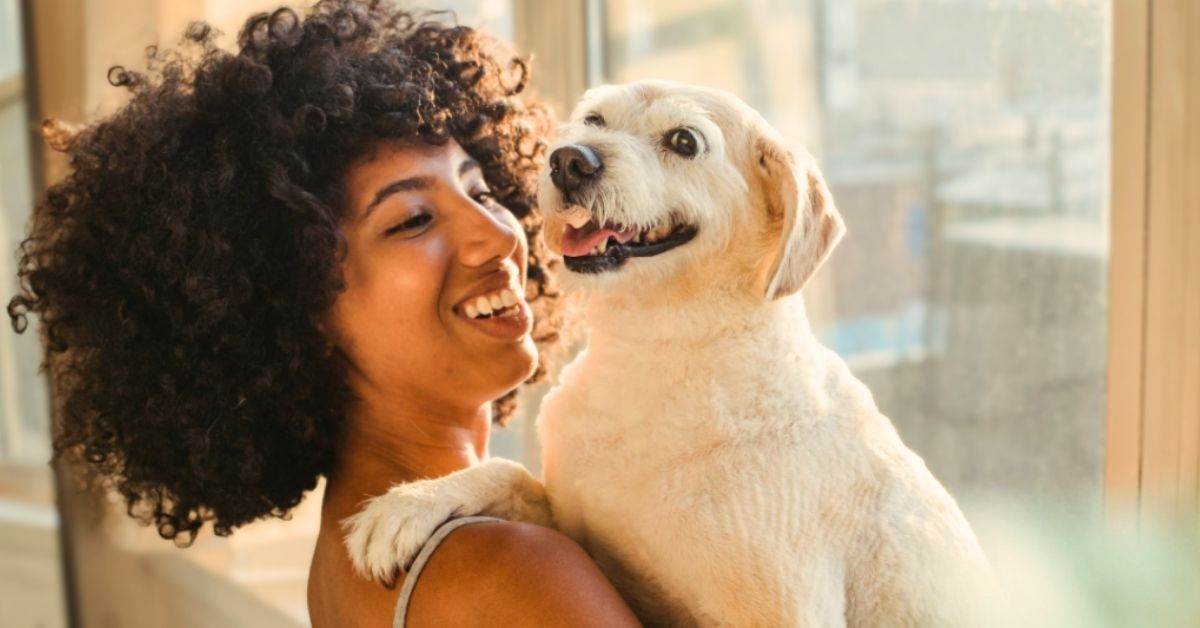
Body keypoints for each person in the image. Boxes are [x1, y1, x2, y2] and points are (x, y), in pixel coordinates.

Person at [7, 2, 640, 626]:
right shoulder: (507, 570)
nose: (497, 236)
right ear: (295, 307)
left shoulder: (350, 560)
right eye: (413, 220)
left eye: (479, 190)